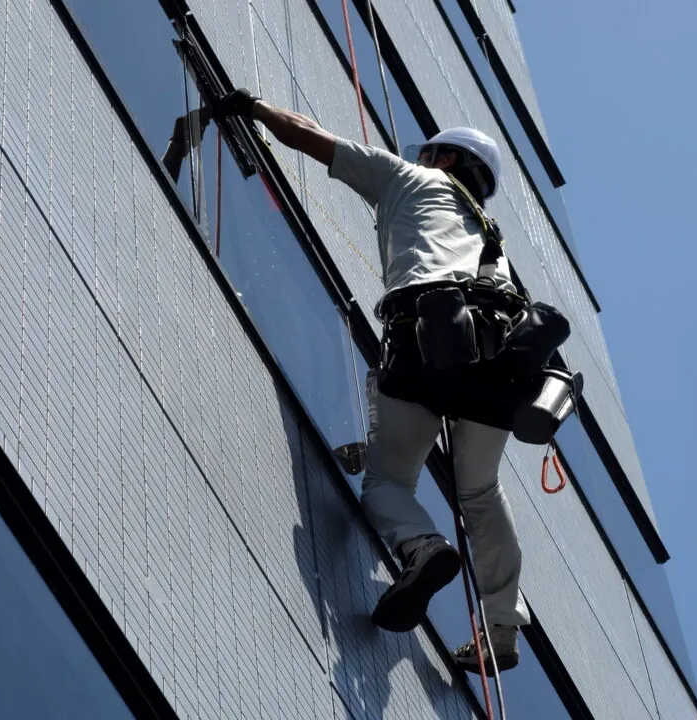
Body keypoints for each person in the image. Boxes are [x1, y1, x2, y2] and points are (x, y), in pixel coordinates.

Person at [213, 89, 529, 675]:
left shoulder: (411, 177)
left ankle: (424, 547)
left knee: (388, 478)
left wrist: (252, 106)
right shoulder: (495, 245)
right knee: (480, 491)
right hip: (494, 366)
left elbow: (307, 134)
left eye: (432, 151)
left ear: (449, 160)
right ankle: (502, 631)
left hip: (422, 341)